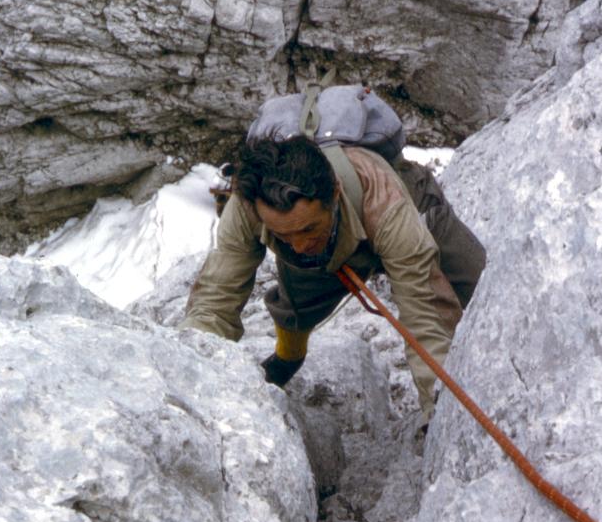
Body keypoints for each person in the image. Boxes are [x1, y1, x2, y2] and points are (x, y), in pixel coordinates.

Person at [179, 134, 485, 420]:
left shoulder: (387, 205)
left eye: (307, 229)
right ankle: (288, 358)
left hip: (409, 211)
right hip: (328, 251)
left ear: (334, 194)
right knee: (295, 309)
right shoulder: (247, 206)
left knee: (479, 288)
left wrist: (441, 413)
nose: (298, 245)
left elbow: (425, 313)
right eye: (283, 234)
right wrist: (187, 378)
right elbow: (215, 299)